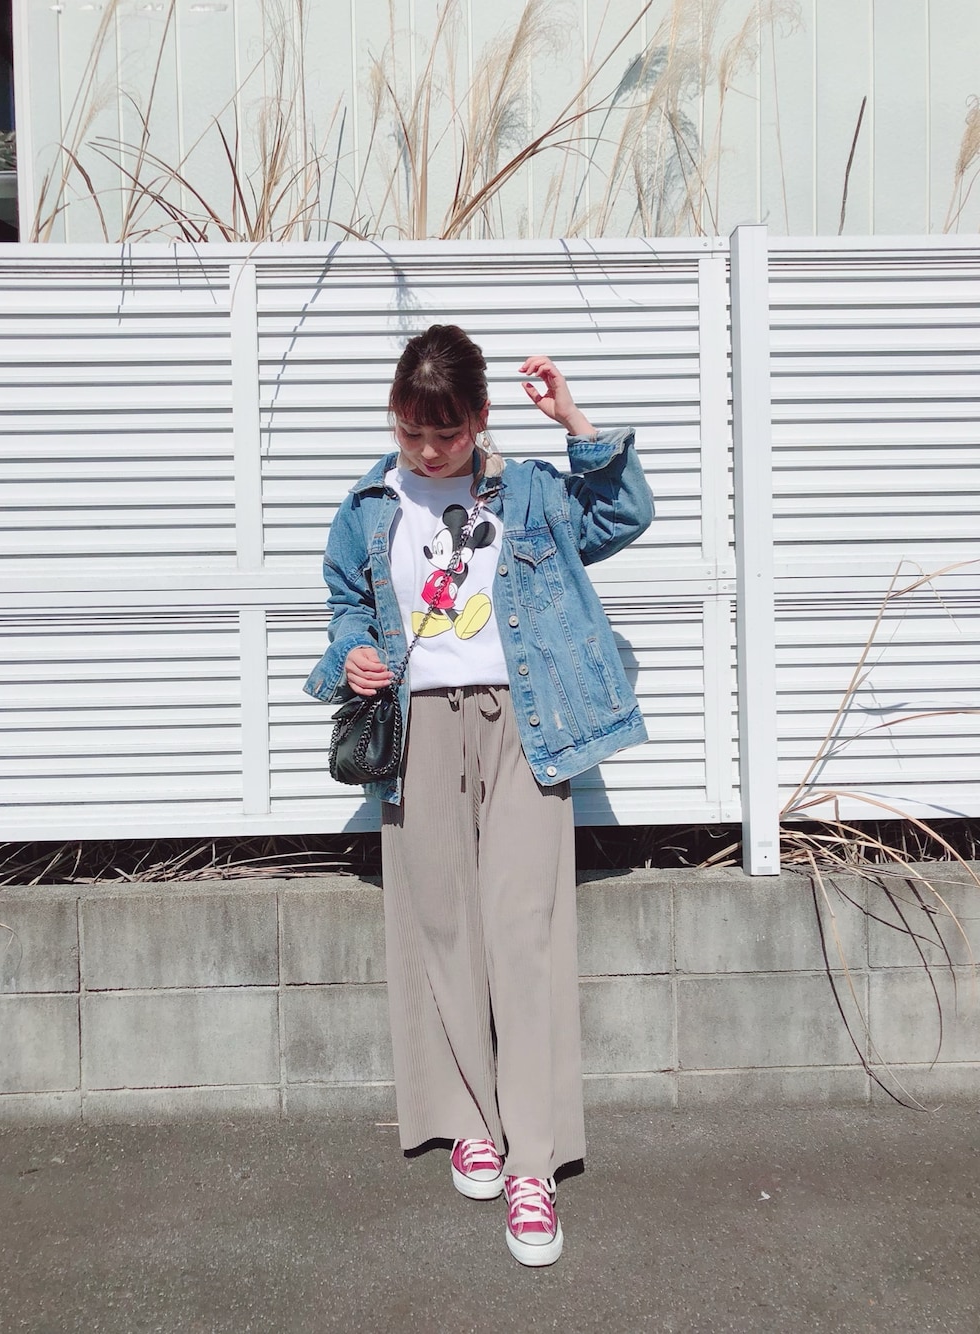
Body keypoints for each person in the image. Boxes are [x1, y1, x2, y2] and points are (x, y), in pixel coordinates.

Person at [304, 325, 654, 1266]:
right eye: (413, 431)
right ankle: (471, 1120)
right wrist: (354, 653)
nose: (429, 451)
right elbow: (344, 604)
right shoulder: (367, 507)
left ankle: (532, 1164)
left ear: (481, 417)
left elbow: (623, 517)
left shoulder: (530, 491)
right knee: (444, 926)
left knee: (522, 930)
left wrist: (576, 423)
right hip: (418, 730)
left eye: (449, 433)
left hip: (525, 724)